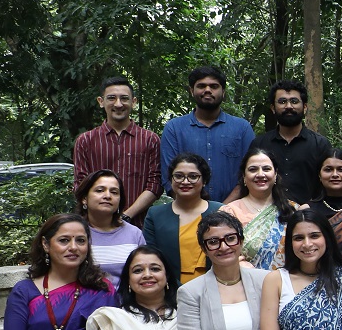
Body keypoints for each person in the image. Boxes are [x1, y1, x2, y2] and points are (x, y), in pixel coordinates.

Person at [73, 76, 161, 225]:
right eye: (112, 98)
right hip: (95, 225)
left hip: (139, 224)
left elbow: (155, 184)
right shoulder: (86, 140)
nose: (118, 104)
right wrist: (103, 217)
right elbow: (81, 184)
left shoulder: (150, 139)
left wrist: (126, 215)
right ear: (101, 102)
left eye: (124, 98)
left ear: (133, 102)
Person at [159, 66, 256, 203]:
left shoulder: (242, 128)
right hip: (188, 213)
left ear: (223, 92)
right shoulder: (174, 128)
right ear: (192, 91)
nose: (207, 90)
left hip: (235, 212)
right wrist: (196, 209)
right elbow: (169, 177)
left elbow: (250, 174)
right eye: (201, 86)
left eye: (214, 86)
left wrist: (222, 211)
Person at [247, 79, 332, 204]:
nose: (288, 106)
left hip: (308, 216)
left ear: (305, 107)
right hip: (265, 215)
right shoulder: (260, 144)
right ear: (273, 108)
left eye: (294, 101)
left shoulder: (320, 144)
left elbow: (328, 185)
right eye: (282, 102)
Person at [144, 153, 221, 284]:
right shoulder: (155, 215)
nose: (185, 182)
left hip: (216, 285)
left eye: (193, 177)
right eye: (179, 176)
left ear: (204, 181)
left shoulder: (220, 211)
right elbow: (150, 257)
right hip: (169, 289)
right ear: (171, 179)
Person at [219, 149, 299, 270]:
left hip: (288, 283)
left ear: (276, 174)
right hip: (244, 282)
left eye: (266, 169)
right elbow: (221, 251)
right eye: (253, 169)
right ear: (244, 177)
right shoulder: (229, 212)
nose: (260, 174)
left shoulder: (293, 210)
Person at [75, 169, 146, 283]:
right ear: (84, 199)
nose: (107, 196)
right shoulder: (73, 232)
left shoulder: (134, 234)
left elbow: (144, 272)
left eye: (114, 192)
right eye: (100, 190)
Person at [303, 149, 342, 262]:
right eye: (328, 170)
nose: (335, 174)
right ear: (319, 175)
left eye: (341, 169)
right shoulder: (307, 210)